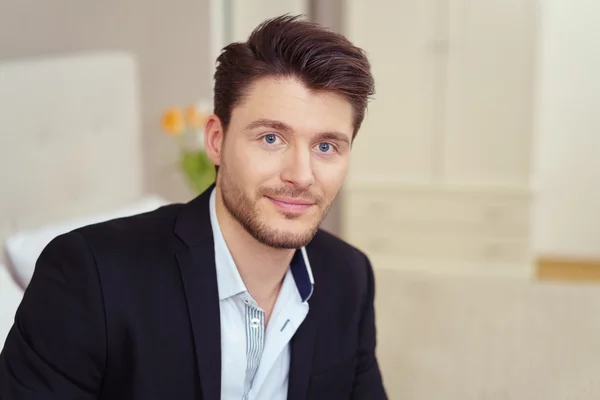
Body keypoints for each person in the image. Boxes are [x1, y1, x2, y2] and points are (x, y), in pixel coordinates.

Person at [0, 14, 387, 400]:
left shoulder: (348, 277)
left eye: (326, 147)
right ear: (216, 141)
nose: (301, 175)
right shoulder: (89, 275)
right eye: (271, 138)